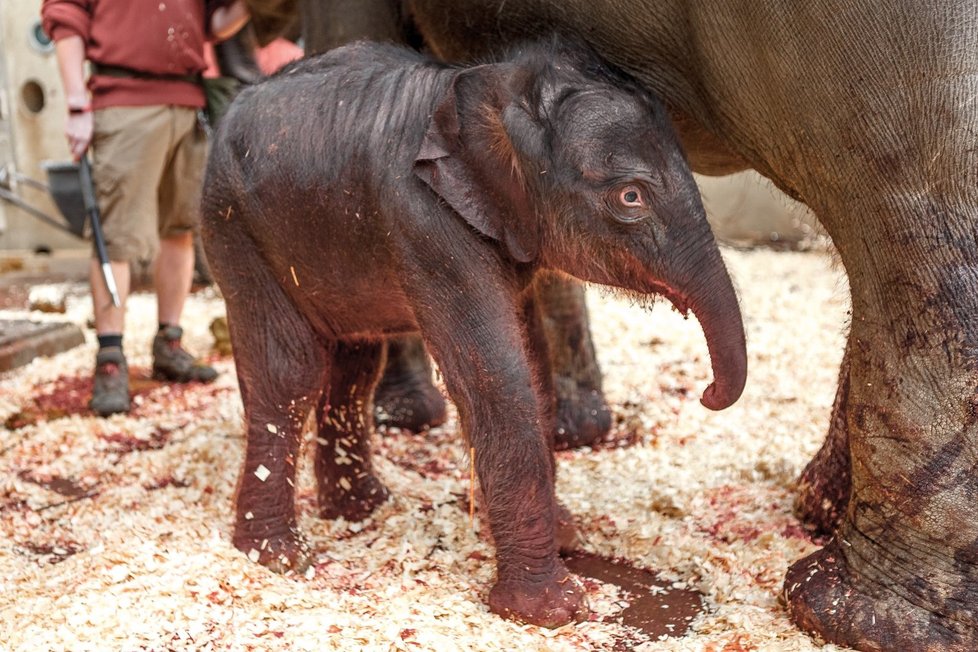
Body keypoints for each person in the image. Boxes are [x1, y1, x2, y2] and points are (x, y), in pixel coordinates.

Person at [41, 0, 248, 416]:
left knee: (180, 229)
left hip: (189, 100)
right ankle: (111, 360)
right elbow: (65, 16)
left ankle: (169, 343)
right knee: (118, 239)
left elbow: (215, 24)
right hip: (124, 102)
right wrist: (77, 102)